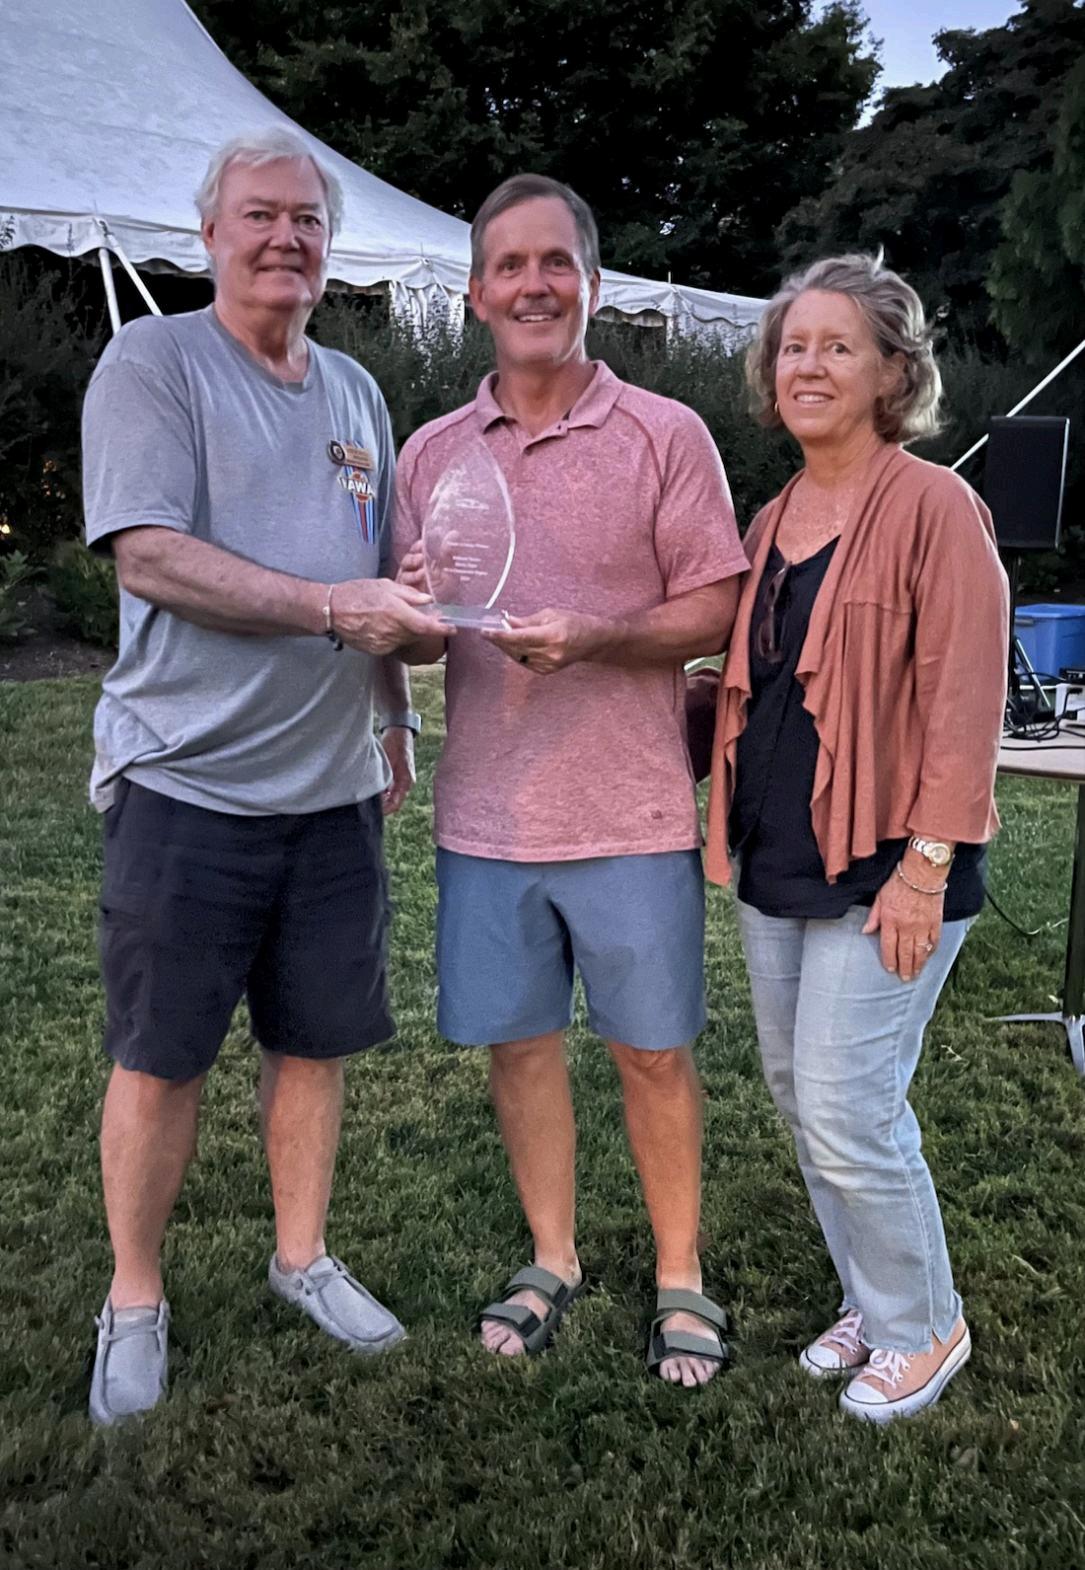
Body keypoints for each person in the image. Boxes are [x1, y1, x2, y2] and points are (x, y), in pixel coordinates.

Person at [82, 128, 438, 1427]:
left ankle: (303, 1257)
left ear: (328, 246)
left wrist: (393, 713)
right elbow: (149, 555)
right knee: (161, 1054)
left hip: (332, 791)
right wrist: (333, 610)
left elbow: (379, 573)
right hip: (187, 785)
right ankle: (133, 1297)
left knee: (313, 1041)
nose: (285, 237)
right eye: (260, 215)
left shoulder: (354, 390)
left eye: (307, 219)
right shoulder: (153, 362)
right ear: (210, 233)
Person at [394, 174, 747, 1388]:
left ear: (591, 284)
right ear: (476, 293)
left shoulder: (663, 435)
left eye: (557, 263)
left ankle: (679, 1271)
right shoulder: (431, 453)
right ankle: (553, 1253)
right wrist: (407, 613)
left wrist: (597, 637)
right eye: (510, 265)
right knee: (521, 1044)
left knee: (650, 1051)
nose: (534, 285)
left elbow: (715, 604)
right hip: (487, 814)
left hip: (628, 808)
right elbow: (421, 621)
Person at [705, 254, 1009, 1422]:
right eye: (792, 346)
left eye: (837, 346)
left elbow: (964, 700)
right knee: (802, 1100)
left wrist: (925, 868)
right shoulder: (771, 518)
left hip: (891, 865)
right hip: (778, 856)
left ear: (892, 373)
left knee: (848, 1107)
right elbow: (761, 687)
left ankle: (923, 1327)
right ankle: (872, 1296)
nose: (806, 365)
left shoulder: (935, 507)